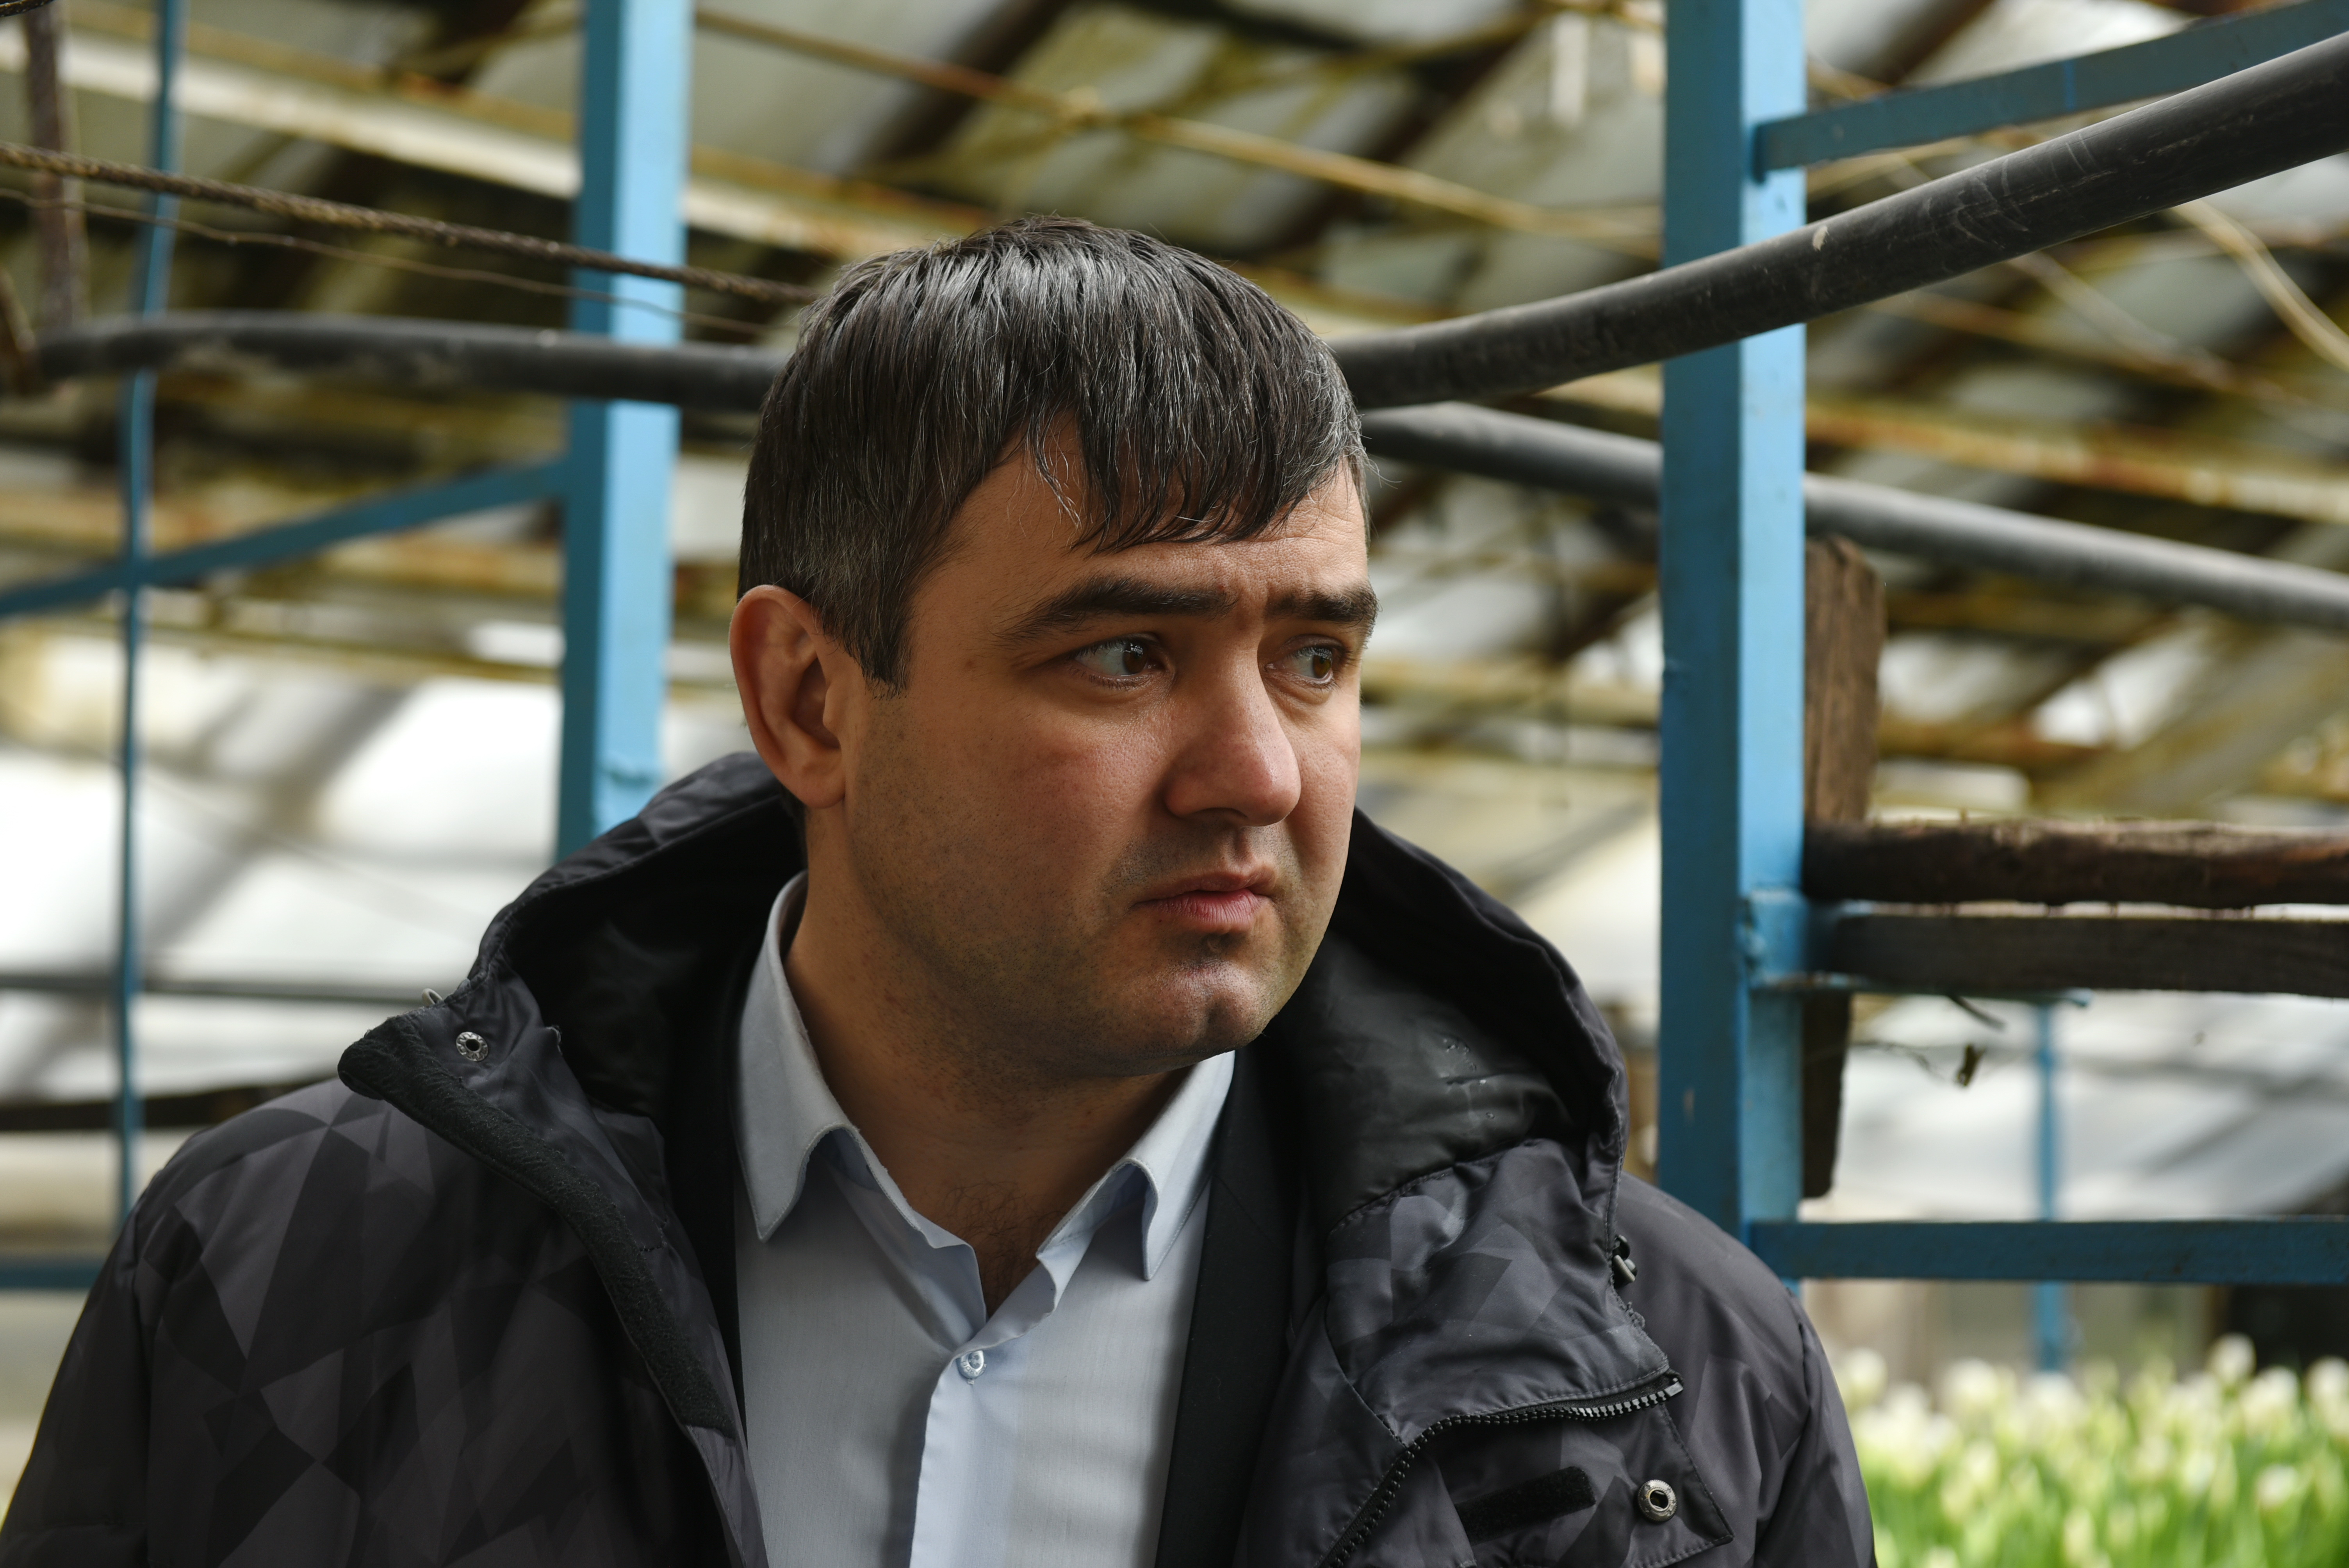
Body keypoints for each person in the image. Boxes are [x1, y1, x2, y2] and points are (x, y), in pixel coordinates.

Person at [0, 216, 1873, 1568]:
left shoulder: (1675, 1390)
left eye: (1314, 657)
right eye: (1124, 654)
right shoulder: (287, 1270)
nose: (1259, 771)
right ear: (811, 697)